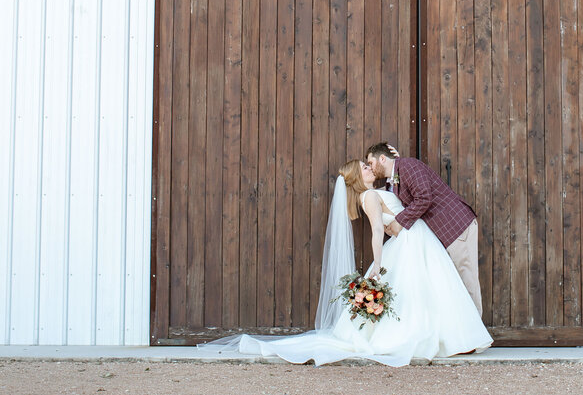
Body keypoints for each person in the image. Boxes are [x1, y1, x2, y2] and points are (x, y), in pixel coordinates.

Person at [201, 159, 491, 366]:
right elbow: (379, 231)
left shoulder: (382, 190)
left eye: (370, 164)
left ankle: (456, 339)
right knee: (421, 293)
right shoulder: (368, 197)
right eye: (365, 167)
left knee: (431, 290)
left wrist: (394, 158)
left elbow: (399, 189)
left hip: (418, 242)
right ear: (356, 177)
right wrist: (378, 264)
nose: (369, 168)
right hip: (408, 245)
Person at [365, 142, 483, 314]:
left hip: (456, 227)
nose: (370, 167)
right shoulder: (396, 175)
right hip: (443, 233)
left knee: (467, 280)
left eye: (371, 163)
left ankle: (476, 336)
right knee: (454, 284)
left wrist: (399, 221)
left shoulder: (408, 165)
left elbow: (424, 198)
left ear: (382, 158)